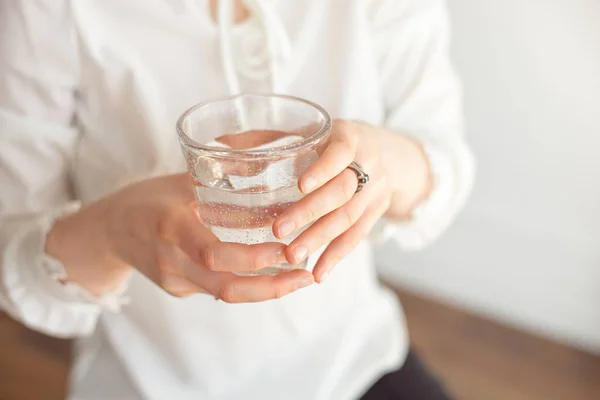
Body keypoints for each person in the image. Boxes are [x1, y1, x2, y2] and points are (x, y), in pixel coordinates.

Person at [0, 0, 475, 399]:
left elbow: (445, 159)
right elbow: (12, 254)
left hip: (350, 361)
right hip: (152, 381)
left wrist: (383, 163)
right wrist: (113, 233)